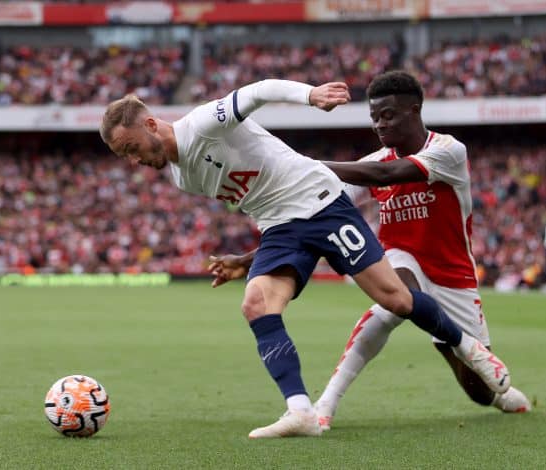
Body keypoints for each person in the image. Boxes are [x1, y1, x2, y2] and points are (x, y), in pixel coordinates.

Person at [99, 79, 510, 438]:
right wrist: (247, 259)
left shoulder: (203, 124)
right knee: (256, 305)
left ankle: (470, 349)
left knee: (397, 300)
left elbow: (259, 91)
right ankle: (301, 411)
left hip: (320, 203)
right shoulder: (181, 176)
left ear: (151, 125)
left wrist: (310, 95)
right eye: (125, 157)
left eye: (132, 149)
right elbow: (260, 196)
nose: (134, 162)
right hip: (279, 227)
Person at [208, 72, 529, 432]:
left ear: (415, 110)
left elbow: (385, 174)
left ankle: (494, 387)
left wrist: (303, 166)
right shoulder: (372, 162)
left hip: (454, 275)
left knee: (480, 394)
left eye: (388, 115)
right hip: (398, 258)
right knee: (394, 299)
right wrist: (250, 259)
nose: (379, 124)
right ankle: (325, 403)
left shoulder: (448, 151)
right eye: (374, 116)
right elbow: (312, 221)